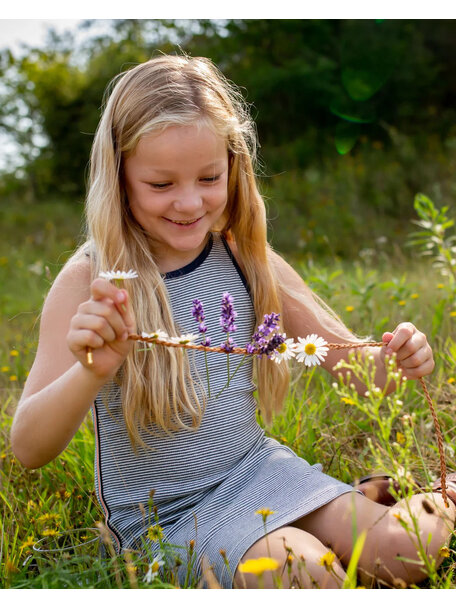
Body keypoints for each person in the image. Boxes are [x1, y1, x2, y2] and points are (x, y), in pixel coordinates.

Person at [11, 54, 455, 589]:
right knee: (305, 573)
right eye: (160, 184)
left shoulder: (245, 255)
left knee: (412, 547)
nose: (189, 201)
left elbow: (351, 367)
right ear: (120, 174)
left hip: (261, 470)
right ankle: (344, 519)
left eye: (208, 177)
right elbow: (29, 448)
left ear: (233, 165)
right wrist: (91, 371)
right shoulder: (93, 280)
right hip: (171, 516)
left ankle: (400, 499)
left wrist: (397, 358)